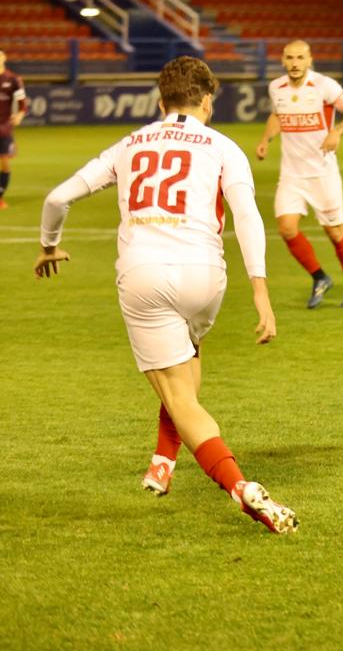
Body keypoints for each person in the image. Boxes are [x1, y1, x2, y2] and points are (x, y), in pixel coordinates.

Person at [34, 56, 297, 534]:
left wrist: (49, 245)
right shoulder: (223, 146)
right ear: (208, 101)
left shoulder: (129, 144)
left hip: (145, 275)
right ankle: (162, 460)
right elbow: (247, 217)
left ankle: (242, 490)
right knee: (185, 368)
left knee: (179, 396)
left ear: (161, 101)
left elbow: (57, 198)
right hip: (205, 277)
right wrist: (261, 290)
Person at [256, 39, 343, 309]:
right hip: (291, 174)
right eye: (290, 58)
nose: (294, 63)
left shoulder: (324, 86)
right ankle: (320, 277)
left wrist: (336, 131)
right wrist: (265, 140)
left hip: (322, 173)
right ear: (283, 61)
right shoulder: (276, 88)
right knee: (287, 228)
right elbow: (277, 116)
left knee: (335, 232)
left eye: (300, 58)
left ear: (310, 60)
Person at [0, 48, 28, 210]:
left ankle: (0, 197)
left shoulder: (13, 79)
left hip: (4, 127)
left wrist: (19, 115)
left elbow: (23, 103)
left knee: (4, 161)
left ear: (4, 57)